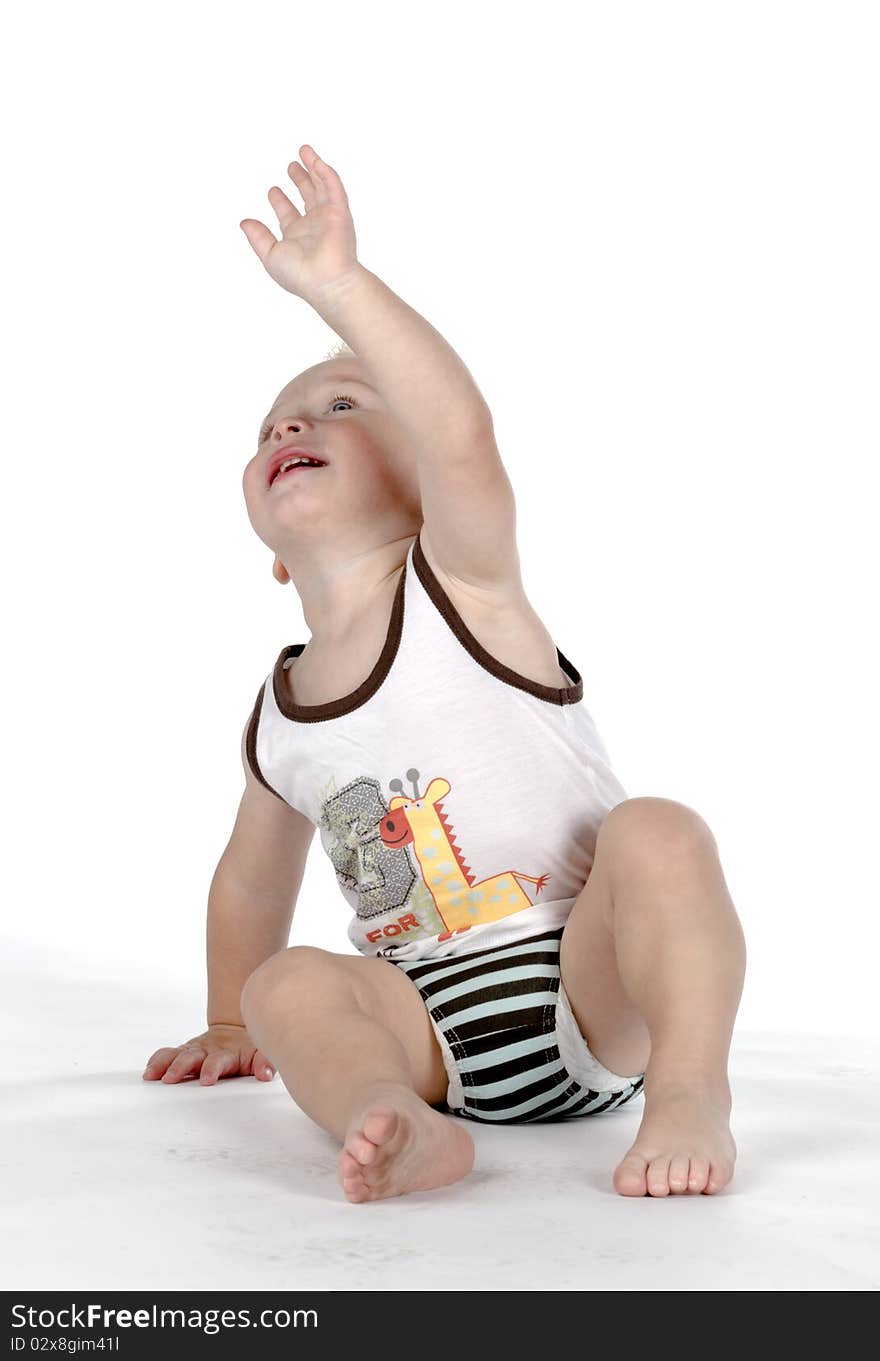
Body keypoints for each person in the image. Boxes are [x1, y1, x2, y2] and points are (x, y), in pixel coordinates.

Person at [143, 144, 747, 1205]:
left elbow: (462, 436)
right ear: (273, 555)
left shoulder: (463, 585)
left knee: (661, 832)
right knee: (289, 980)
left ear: (422, 479)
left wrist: (339, 288)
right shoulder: (279, 721)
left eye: (340, 405)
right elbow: (251, 877)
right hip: (425, 1024)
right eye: (275, 426)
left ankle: (690, 1090)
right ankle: (397, 1116)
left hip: (586, 989)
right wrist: (234, 1018)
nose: (293, 424)